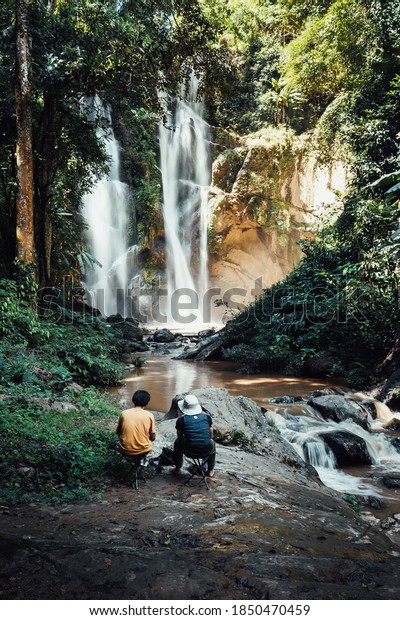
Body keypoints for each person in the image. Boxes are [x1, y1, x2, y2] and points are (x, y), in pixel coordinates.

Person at [172, 394, 216, 478]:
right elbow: (211, 434)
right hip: (206, 450)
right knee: (212, 443)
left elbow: (180, 437)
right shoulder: (207, 417)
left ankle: (177, 468)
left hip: (190, 451)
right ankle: (210, 470)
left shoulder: (181, 420)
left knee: (177, 442)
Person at [116, 390, 156, 458]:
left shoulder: (124, 413)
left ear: (133, 400)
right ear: (147, 403)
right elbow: (152, 438)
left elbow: (118, 432)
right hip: (144, 450)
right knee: (148, 443)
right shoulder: (150, 415)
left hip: (125, 450)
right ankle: (138, 463)